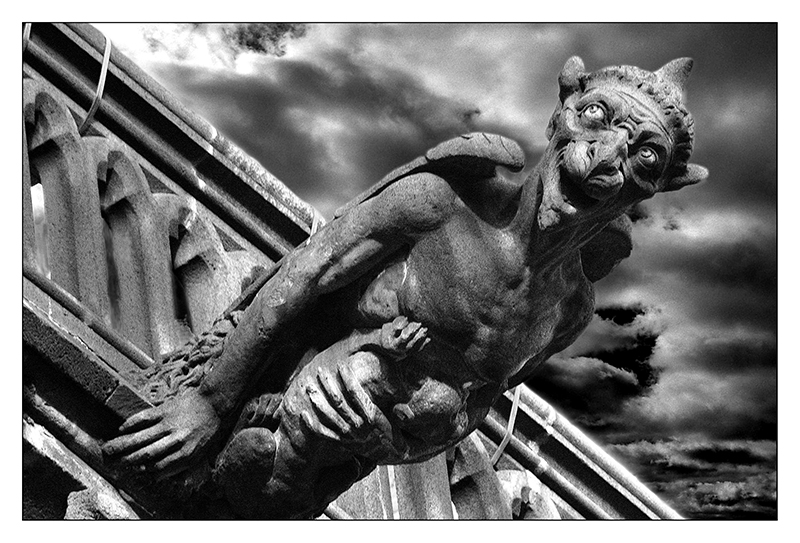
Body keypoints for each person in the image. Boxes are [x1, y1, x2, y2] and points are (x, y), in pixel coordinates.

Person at [103, 57, 708, 518]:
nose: (607, 156)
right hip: (279, 390)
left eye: (646, 158)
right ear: (563, 112)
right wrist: (208, 405)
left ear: (654, 189)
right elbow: (304, 276)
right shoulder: (442, 202)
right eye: (597, 117)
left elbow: (476, 401)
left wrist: (392, 438)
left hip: (346, 443)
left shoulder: (567, 310)